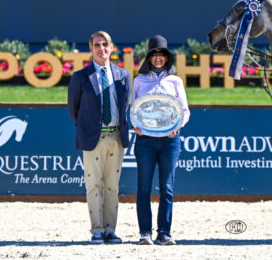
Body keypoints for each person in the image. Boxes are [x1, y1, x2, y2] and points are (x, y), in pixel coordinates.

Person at [67, 30, 131, 244]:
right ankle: (96, 230)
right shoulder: (80, 77)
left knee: (113, 186)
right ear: (91, 49)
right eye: (97, 45)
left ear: (112, 48)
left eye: (105, 44)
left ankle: (110, 230)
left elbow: (125, 108)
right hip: (93, 139)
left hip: (116, 138)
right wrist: (88, 128)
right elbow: (73, 108)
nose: (101, 48)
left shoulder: (123, 76)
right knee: (93, 185)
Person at [131, 35, 190, 246]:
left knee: (167, 187)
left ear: (167, 58)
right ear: (148, 57)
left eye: (161, 54)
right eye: (154, 54)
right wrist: (134, 124)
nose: (158, 58)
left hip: (170, 141)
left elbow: (184, 110)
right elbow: (133, 108)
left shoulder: (176, 81)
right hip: (145, 140)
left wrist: (177, 127)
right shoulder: (138, 81)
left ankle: (164, 232)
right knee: (144, 187)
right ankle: (145, 232)